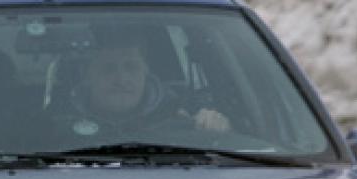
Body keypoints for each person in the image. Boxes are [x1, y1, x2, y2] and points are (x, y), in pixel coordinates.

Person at [54, 34, 231, 138]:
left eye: (131, 67)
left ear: (146, 74)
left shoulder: (185, 120)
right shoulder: (55, 127)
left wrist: (218, 129)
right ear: (87, 77)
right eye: (108, 69)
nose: (121, 79)